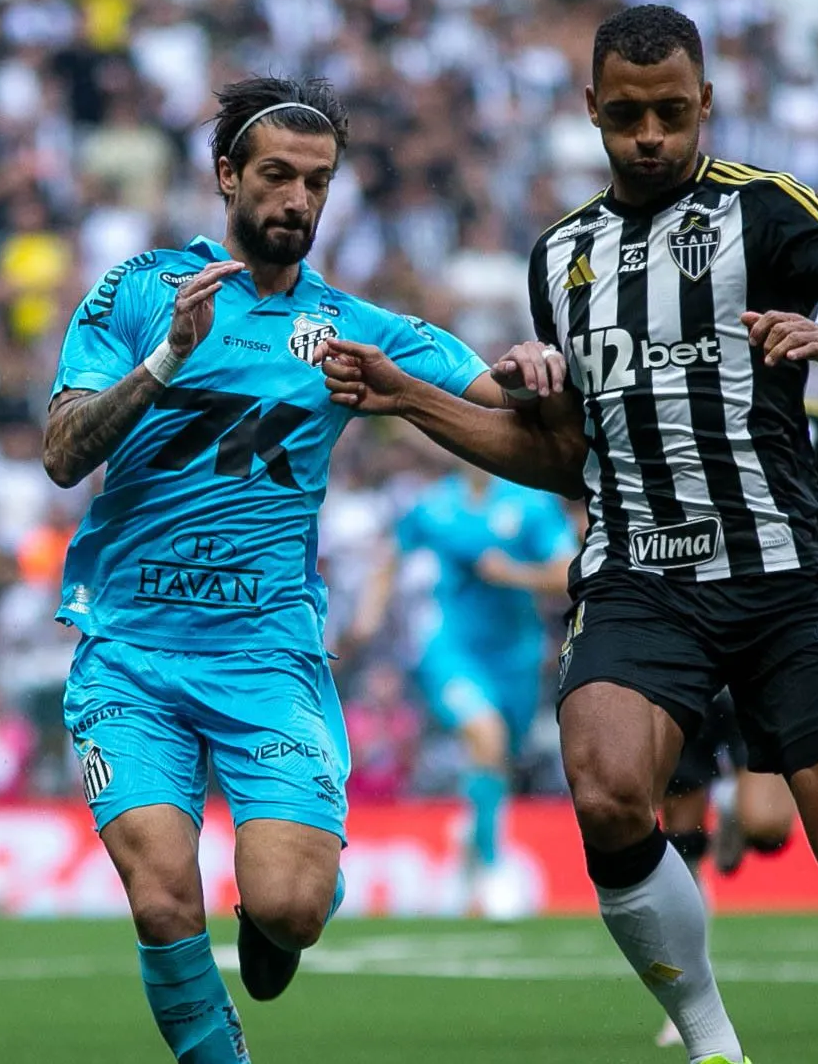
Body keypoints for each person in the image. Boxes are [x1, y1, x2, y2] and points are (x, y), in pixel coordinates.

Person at [320, 6, 818, 1064]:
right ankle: (710, 1044)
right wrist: (407, 396)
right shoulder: (561, 258)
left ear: (703, 105)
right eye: (625, 116)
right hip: (634, 577)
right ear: (590, 113)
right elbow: (567, 460)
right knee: (608, 789)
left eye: (668, 113)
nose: (648, 135)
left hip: (780, 572)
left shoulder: (766, 213)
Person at [40, 76, 518, 1064]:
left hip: (264, 657)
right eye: (276, 176)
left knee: (293, 909)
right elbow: (61, 452)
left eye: (316, 182)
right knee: (164, 890)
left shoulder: (352, 328)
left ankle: (282, 907)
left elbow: (497, 401)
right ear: (227, 177)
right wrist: (168, 357)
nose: (296, 199)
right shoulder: (137, 293)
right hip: (129, 651)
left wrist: (538, 373)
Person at [652, 399, 818, 1048]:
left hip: (763, 630)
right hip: (680, 631)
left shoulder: (810, 420)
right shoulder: (663, 402)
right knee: (680, 832)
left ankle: (740, 817)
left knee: (771, 825)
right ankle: (688, 999)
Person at [344, 460, 576, 917]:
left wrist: (514, 574)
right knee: (484, 736)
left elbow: (569, 569)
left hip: (516, 656)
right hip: (450, 649)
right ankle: (492, 867)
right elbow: (392, 551)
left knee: (497, 755)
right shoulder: (436, 504)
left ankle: (474, 839)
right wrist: (369, 615)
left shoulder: (530, 503)